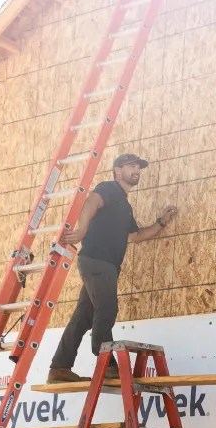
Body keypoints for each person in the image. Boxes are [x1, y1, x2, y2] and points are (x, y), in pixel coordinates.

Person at [46, 153, 175, 384]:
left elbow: (135, 236)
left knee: (84, 317)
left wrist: (161, 223)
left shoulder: (124, 206)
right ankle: (107, 364)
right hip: (98, 262)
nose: (136, 169)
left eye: (138, 166)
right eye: (131, 166)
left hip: (102, 266)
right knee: (106, 311)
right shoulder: (109, 189)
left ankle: (59, 368)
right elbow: (91, 202)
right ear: (117, 170)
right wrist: (83, 229)